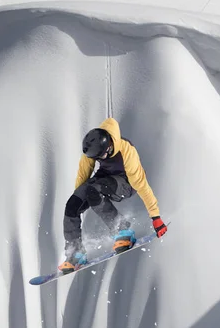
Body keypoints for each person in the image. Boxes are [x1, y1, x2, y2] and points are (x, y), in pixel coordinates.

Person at [60, 117, 167, 274]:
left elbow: (141, 185)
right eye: (95, 159)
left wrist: (155, 217)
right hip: (103, 179)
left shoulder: (127, 151)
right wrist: (78, 202)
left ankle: (123, 231)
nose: (98, 160)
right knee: (72, 204)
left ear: (109, 148)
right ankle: (75, 253)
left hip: (126, 183)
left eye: (100, 158)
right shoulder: (93, 150)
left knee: (94, 190)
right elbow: (83, 177)